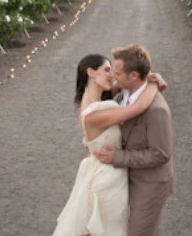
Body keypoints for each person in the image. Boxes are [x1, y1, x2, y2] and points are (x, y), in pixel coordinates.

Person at [52, 54, 160, 236]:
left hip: (101, 170)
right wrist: (156, 84)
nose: (112, 75)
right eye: (107, 70)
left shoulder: (94, 101)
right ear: (91, 72)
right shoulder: (95, 113)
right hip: (109, 179)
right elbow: (140, 106)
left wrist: (141, 77)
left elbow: (121, 84)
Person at [94, 44, 174, 236]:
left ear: (134, 76)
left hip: (150, 183)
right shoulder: (124, 93)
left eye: (118, 73)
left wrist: (118, 157)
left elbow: (161, 154)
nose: (113, 76)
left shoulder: (157, 111)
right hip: (128, 177)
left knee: (138, 232)